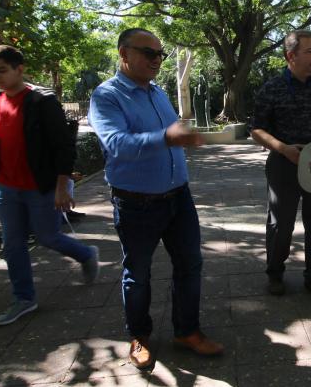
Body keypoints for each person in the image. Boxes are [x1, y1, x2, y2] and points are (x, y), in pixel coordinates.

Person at [89, 28, 224, 369]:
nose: (156, 60)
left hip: (179, 197)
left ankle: (187, 331)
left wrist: (183, 136)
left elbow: (171, 136)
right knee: (138, 272)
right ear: (124, 54)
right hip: (137, 203)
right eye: (148, 53)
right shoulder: (107, 96)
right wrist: (166, 135)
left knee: (190, 265)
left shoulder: (158, 93)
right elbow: (116, 144)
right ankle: (139, 336)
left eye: (159, 54)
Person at [0, 45, 99, 327]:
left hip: (39, 186)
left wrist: (63, 186)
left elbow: (63, 146)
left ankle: (86, 254)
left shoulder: (41, 101)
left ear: (19, 69)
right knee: (13, 245)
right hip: (5, 188)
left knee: (48, 237)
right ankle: (24, 299)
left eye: (1, 71)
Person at [250, 29, 311, 301]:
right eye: (309, 51)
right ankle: (275, 273)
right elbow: (256, 129)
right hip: (284, 163)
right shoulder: (272, 88)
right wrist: (283, 148)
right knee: (281, 224)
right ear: (291, 56)